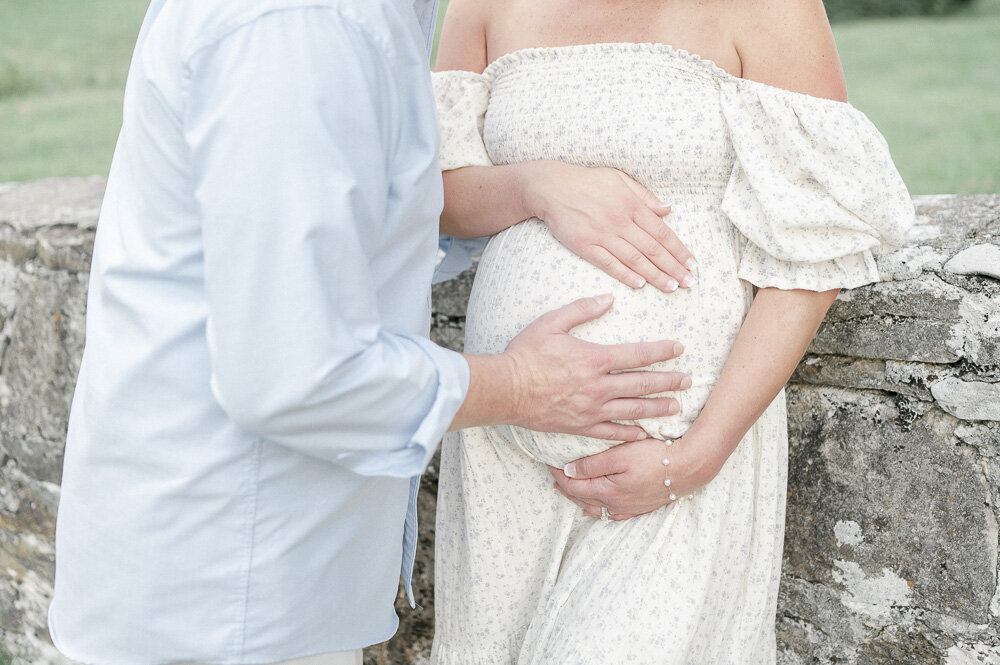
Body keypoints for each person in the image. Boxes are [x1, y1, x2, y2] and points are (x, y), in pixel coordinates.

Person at [46, 1, 701, 664]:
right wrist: (525, 385)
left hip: (252, 581)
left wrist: (530, 187)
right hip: (224, 591)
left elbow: (355, 226)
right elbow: (294, 371)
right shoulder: (299, 29)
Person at [429, 0, 916, 662]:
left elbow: (817, 244)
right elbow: (444, 193)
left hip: (674, 460)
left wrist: (696, 456)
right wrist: (537, 187)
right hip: (501, 460)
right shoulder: (483, 5)